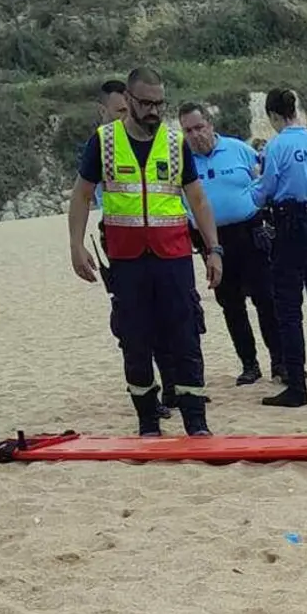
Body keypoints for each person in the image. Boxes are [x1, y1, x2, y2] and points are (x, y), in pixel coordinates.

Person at [68, 66, 221, 437]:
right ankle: (148, 421)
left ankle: (195, 423)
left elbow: (197, 199)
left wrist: (214, 249)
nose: (154, 110)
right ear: (129, 101)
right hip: (127, 260)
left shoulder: (173, 142)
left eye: (159, 103)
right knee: (135, 340)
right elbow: (82, 195)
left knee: (185, 337)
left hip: (173, 257)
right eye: (146, 103)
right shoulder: (103, 142)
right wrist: (75, 246)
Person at [250, 88, 307, 408]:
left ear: (274, 116)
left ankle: (297, 385)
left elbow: (264, 192)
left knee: (289, 308)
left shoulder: (277, 146)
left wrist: (252, 187)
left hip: (291, 228)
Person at [178, 102, 284, 387]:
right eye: (188, 130)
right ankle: (249, 365)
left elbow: (264, 181)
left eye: (199, 127)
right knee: (231, 306)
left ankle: (280, 360)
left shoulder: (239, 149)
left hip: (250, 234)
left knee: (266, 299)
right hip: (213, 242)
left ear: (211, 125)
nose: (195, 135)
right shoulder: (182, 161)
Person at [93, 80, 177, 419]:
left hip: (159, 241)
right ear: (104, 112)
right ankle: (148, 393)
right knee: (131, 324)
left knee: (172, 317)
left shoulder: (154, 140)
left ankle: (173, 385)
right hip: (122, 244)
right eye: (119, 111)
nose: (127, 117)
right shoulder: (102, 146)